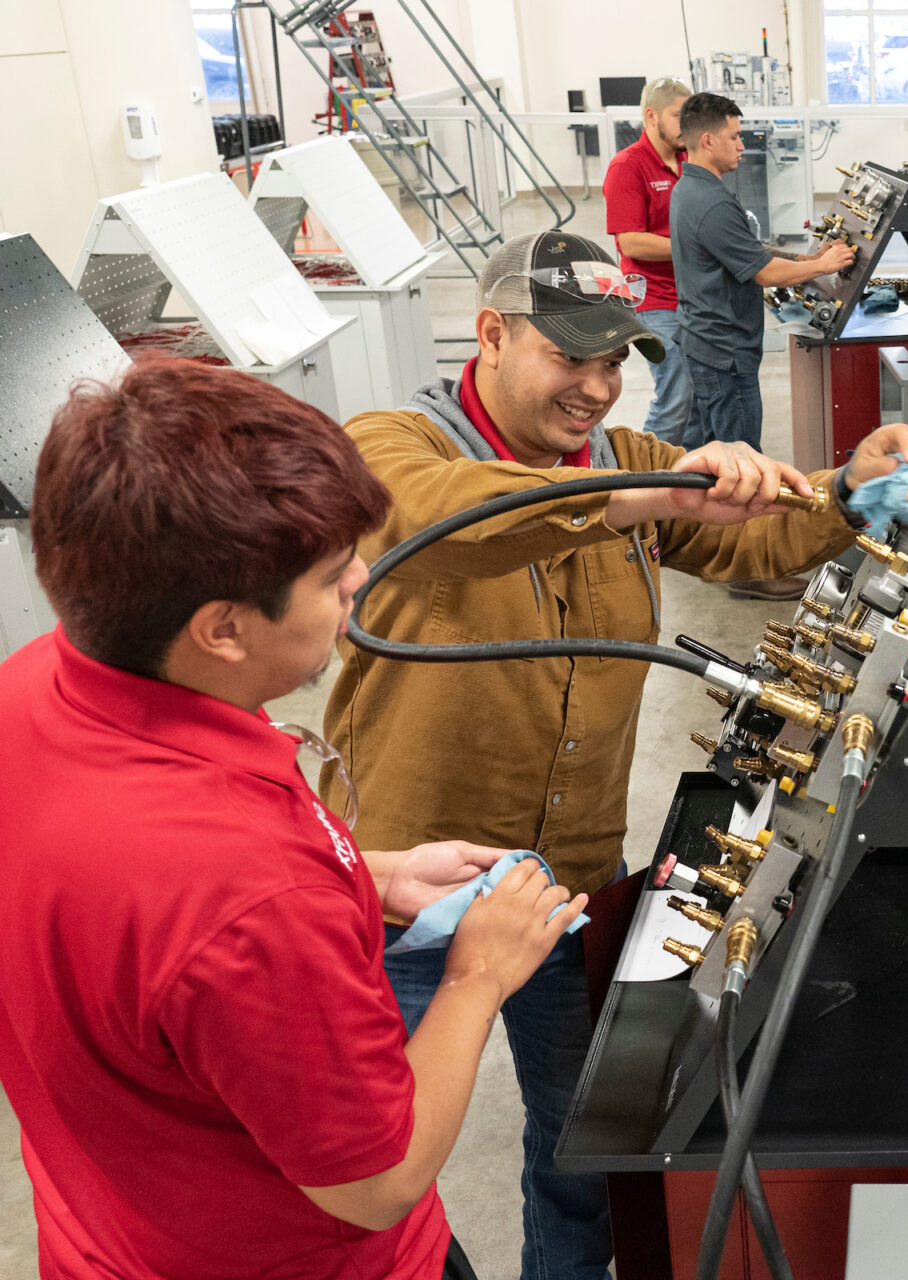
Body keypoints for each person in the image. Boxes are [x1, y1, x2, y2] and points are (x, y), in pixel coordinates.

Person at [327, 231, 908, 1280]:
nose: (598, 386)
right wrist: (657, 496)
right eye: (572, 357)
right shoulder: (390, 440)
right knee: (374, 1172)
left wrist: (845, 493)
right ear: (491, 333)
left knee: (582, 1154)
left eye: (616, 362)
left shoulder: (626, 461)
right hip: (400, 889)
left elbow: (747, 540)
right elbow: (451, 522)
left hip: (564, 880)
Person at [0, 359, 587, 1279]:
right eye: (328, 576)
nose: (361, 578)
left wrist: (369, 870)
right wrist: (479, 973)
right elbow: (377, 1178)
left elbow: (132, 940)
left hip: (117, 1227)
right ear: (223, 630)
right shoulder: (247, 897)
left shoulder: (35, 685)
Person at [672, 91, 854, 462]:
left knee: (708, 456)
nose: (742, 145)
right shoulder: (713, 202)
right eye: (734, 137)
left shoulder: (687, 189)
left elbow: (743, 251)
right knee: (741, 464)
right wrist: (825, 265)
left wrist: (802, 257)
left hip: (702, 344)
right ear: (707, 141)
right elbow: (766, 273)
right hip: (726, 355)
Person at [604, 77, 693, 445]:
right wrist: (696, 246)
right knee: (677, 396)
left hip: (693, 296)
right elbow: (632, 242)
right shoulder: (628, 166)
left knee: (699, 399)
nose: (686, 125)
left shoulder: (691, 162)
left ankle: (691, 478)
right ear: (651, 116)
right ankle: (645, 479)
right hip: (654, 300)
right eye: (678, 116)